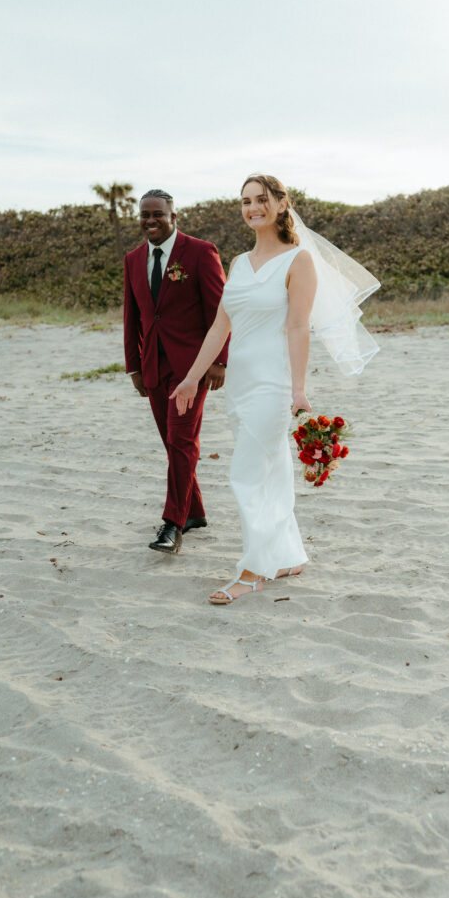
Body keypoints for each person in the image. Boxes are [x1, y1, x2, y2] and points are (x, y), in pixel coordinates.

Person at [172, 174, 316, 603]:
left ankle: (253, 570)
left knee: (248, 474)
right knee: (272, 467)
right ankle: (288, 555)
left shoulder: (298, 261)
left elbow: (298, 326)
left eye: (261, 199)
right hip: (240, 383)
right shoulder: (237, 263)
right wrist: (193, 376)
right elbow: (220, 326)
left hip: (273, 383)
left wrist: (298, 388)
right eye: (245, 201)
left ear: (280, 204)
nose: (252, 208)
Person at [123, 188, 229, 555]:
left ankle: (173, 524)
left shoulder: (200, 252)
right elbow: (132, 317)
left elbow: (222, 310)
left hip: (193, 366)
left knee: (182, 440)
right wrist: (134, 366)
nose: (150, 221)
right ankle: (195, 512)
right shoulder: (133, 259)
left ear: (173, 216)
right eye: (145, 215)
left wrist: (220, 361)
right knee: (172, 443)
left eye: (158, 214)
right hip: (153, 366)